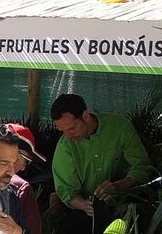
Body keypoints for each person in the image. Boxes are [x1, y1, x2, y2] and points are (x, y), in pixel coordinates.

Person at [50, 92, 154, 223]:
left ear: (86, 116)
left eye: (71, 128)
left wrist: (119, 186)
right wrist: (85, 205)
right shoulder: (65, 147)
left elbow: (143, 166)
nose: (68, 136)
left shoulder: (120, 127)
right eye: (62, 131)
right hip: (84, 214)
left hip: (128, 205)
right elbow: (66, 191)